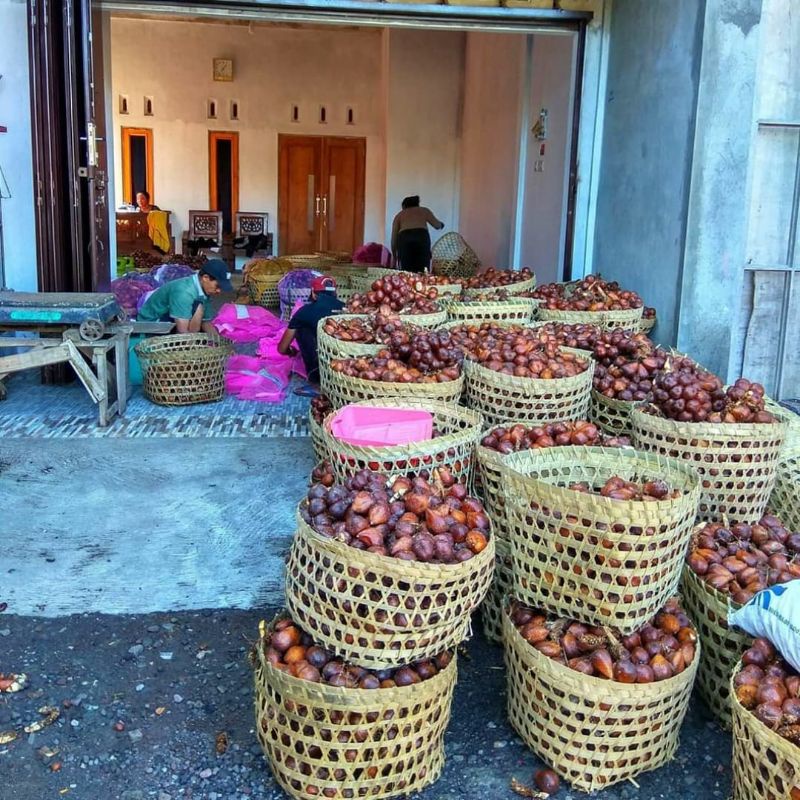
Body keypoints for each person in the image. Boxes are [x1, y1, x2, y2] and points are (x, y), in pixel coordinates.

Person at [277, 276, 344, 396]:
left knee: (301, 329)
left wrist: (291, 351)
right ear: (335, 292)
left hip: (323, 369)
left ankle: (317, 384)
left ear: (313, 293)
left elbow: (282, 348)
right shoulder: (346, 308)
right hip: (347, 368)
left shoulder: (304, 312)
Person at [137, 258, 232, 334]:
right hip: (152, 325)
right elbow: (182, 332)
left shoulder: (204, 290)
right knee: (198, 308)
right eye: (217, 286)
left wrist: (220, 344)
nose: (219, 291)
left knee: (199, 311)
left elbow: (206, 322)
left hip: (173, 319)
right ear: (205, 278)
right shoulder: (184, 292)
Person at [390, 195, 444, 273]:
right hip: (421, 237)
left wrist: (395, 256)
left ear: (404, 206)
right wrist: (441, 225)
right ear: (417, 203)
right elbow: (437, 225)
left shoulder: (399, 215)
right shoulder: (424, 210)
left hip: (404, 239)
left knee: (406, 271)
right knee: (423, 269)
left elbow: (393, 238)